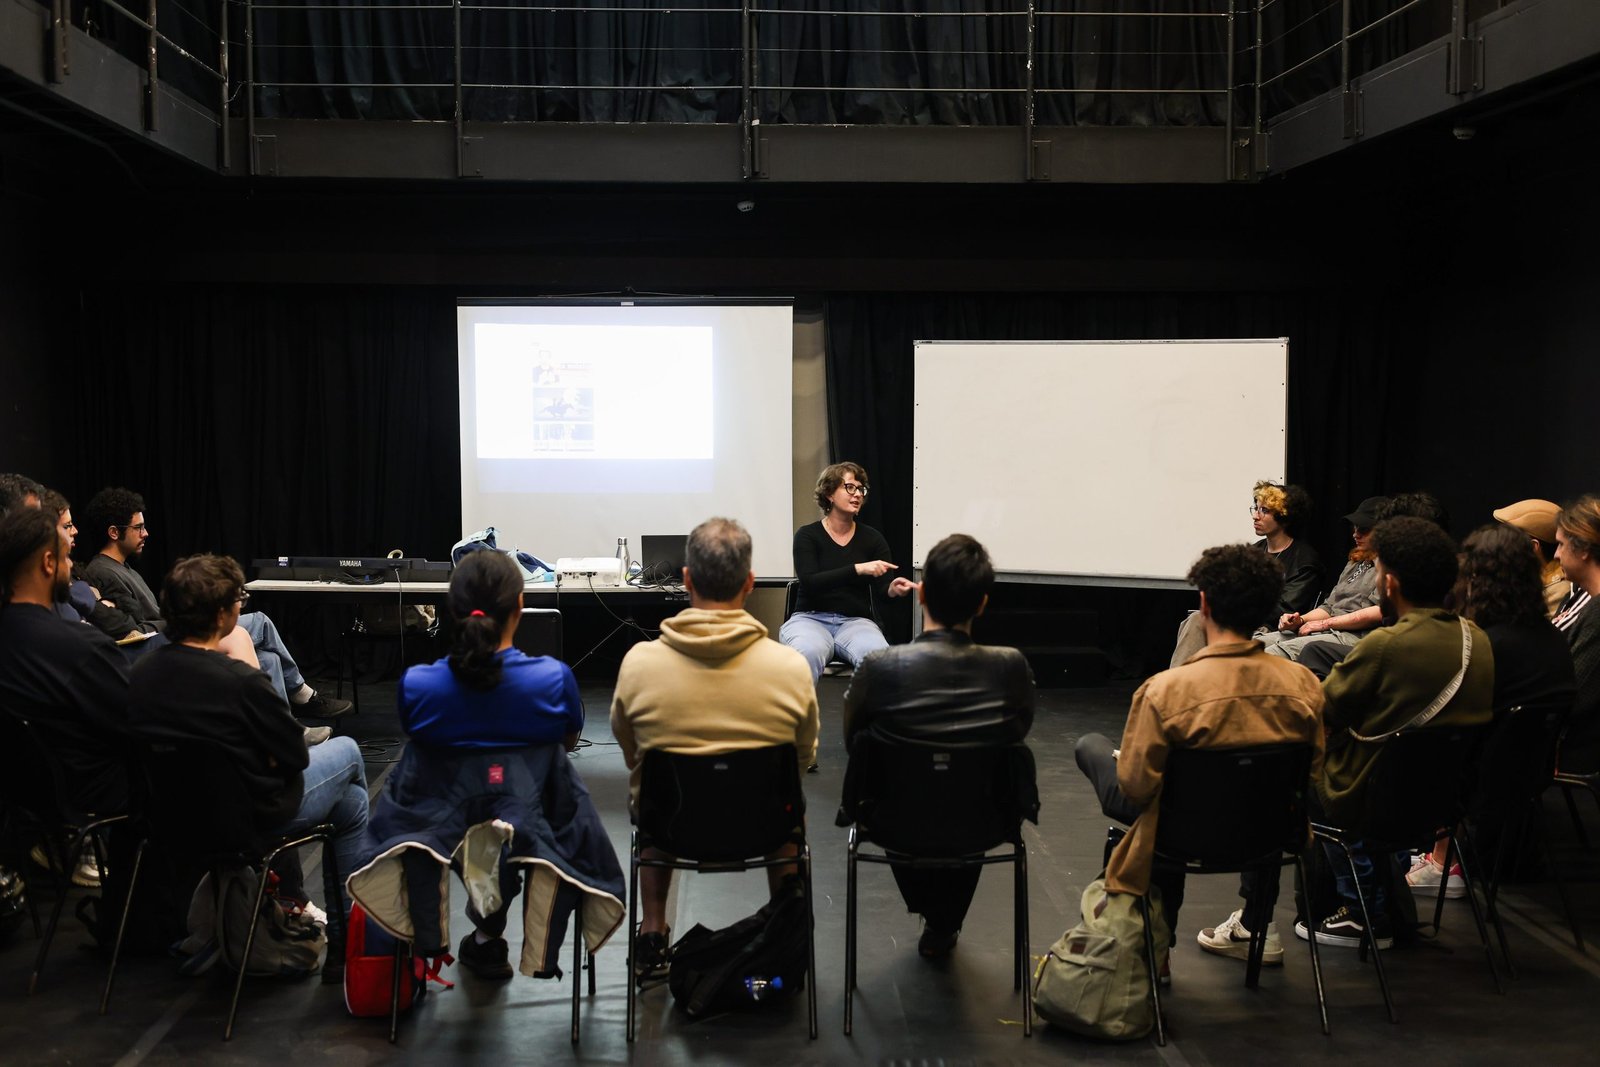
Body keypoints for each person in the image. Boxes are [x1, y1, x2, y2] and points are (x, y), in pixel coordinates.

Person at [349, 550, 622, 981]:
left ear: (452, 612)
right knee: (494, 828)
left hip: (437, 829)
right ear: (520, 607)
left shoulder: (419, 686)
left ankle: (482, 934)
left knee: (482, 829)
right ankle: (489, 931)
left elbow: (419, 741)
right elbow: (565, 743)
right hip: (530, 828)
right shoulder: (553, 681)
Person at [1077, 544, 1324, 970]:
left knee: (1094, 749)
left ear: (1204, 604)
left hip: (1178, 834)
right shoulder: (1304, 686)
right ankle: (1256, 925)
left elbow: (1136, 787)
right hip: (1268, 831)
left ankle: (1158, 951)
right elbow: (1312, 773)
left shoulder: (1166, 691)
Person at [611, 517, 820, 983]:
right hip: (765, 826)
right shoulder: (789, 667)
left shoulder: (640, 663)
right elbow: (802, 757)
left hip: (672, 827)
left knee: (654, 793)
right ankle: (785, 928)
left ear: (686, 581)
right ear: (749, 583)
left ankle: (653, 930)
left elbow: (633, 753)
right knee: (788, 801)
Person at [126, 554, 370, 917]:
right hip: (242, 822)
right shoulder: (240, 682)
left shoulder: (139, 673)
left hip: (164, 816)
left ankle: (292, 904)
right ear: (224, 614)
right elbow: (295, 757)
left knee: (349, 803)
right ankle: (346, 939)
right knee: (348, 751)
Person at [841, 533, 1037, 959]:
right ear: (982, 603)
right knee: (964, 788)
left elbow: (853, 738)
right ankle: (944, 921)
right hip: (984, 821)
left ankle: (938, 917)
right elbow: (1015, 733)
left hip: (893, 819)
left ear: (922, 594)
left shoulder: (879, 667)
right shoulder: (1010, 667)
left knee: (903, 780)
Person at [1303, 517, 1494, 949]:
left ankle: (1360, 910)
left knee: (1304, 770)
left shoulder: (1385, 646)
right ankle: (1387, 901)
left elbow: (1321, 712)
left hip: (1374, 799)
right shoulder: (1476, 638)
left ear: (1390, 583)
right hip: (1444, 807)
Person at [78, 487, 352, 719]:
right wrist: (180, 619)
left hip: (169, 633)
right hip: (162, 641)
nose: (146, 533)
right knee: (260, 623)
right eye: (138, 527)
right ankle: (303, 695)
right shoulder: (103, 571)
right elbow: (135, 628)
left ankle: (286, 725)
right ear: (114, 532)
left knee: (268, 660)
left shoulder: (125, 568)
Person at [1406, 524, 1576, 897]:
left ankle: (1438, 861)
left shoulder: (1485, 643)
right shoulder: (1551, 637)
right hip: (1530, 776)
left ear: (1477, 578)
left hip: (1480, 779)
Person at [780, 462, 916, 682]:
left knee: (879, 659)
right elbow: (810, 582)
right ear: (829, 493)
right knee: (807, 653)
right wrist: (857, 569)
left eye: (861, 489)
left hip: (855, 622)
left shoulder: (872, 539)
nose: (858, 495)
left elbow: (883, 591)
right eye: (850, 487)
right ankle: (800, 717)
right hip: (810, 619)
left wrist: (893, 589)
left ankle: (871, 717)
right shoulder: (807, 535)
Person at [1170, 481, 1322, 667]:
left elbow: (1284, 608)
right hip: (1240, 618)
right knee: (1195, 619)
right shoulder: (1253, 552)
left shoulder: (1303, 560)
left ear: (1284, 516)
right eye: (1255, 509)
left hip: (1271, 628)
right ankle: (1180, 685)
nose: (1255, 516)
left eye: (1264, 510)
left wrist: (1237, 606)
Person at [1261, 496, 1387, 664]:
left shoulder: (1389, 566)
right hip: (1328, 629)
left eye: (1364, 529)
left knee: (1270, 655)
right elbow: (1329, 606)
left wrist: (1324, 624)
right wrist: (1300, 620)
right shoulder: (1355, 561)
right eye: (1355, 528)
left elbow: (1379, 612)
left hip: (1355, 637)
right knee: (1254, 646)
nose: (1355, 534)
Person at [1553, 495, 1600, 772]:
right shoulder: (1588, 604)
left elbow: (1574, 698)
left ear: (1583, 550)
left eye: (1560, 544)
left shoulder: (1597, 613)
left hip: (1583, 752)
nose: (1556, 554)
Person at [1494, 498, 1573, 618]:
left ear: (1533, 546)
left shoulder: (1557, 591)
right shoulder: (1529, 579)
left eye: (1507, 540)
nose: (1501, 546)